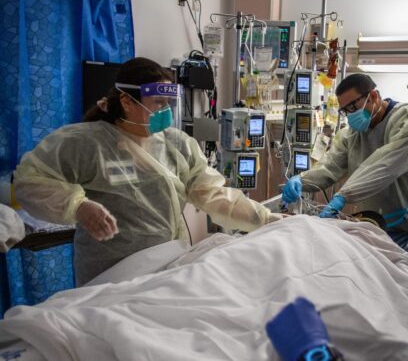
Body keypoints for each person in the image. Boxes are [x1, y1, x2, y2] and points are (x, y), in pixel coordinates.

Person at [13, 57, 281, 285]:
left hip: (166, 266)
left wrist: (265, 219)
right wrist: (78, 206)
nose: (165, 110)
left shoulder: (177, 145)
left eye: (168, 103)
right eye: (157, 102)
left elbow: (214, 196)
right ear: (127, 101)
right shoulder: (85, 143)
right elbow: (29, 181)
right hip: (111, 275)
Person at [282, 73, 408, 256]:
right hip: (383, 230)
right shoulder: (351, 135)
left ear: (373, 96)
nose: (350, 115)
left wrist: (344, 196)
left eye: (353, 106)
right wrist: (302, 181)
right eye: (345, 110)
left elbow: (386, 163)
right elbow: (330, 165)